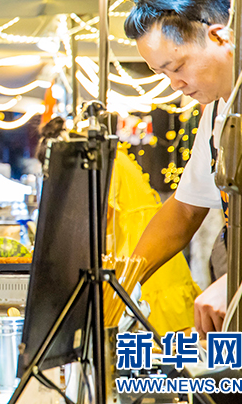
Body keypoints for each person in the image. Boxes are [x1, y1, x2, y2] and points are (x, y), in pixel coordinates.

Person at [123, 0, 242, 379]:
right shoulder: (218, 108)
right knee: (216, 385)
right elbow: (185, 210)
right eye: (162, 74)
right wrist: (122, 280)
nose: (174, 85)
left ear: (220, 37)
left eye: (177, 66)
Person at [36, 117, 200, 333]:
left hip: (143, 259)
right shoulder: (108, 155)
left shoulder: (97, 163)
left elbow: (90, 226)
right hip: (152, 255)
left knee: (154, 351)